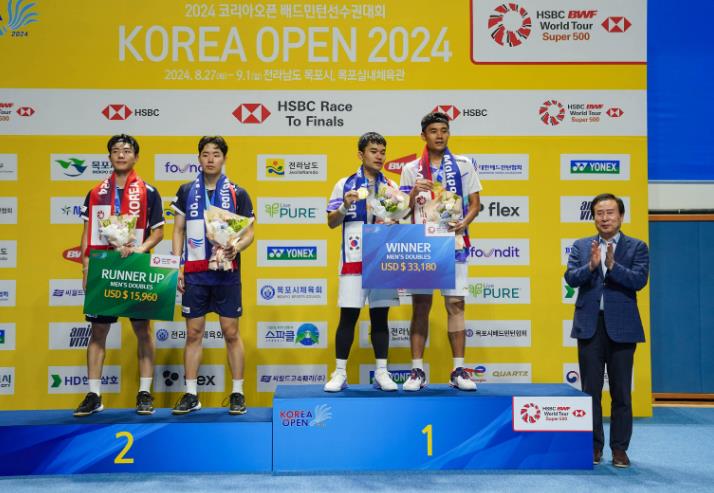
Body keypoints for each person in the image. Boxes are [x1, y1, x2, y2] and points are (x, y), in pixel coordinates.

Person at [75, 134, 164, 416]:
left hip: (137, 267)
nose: (121, 155)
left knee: (143, 331)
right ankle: (94, 395)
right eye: (116, 151)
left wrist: (140, 249)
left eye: (127, 151)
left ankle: (144, 393)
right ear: (109, 157)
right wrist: (86, 267)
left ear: (136, 157)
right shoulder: (96, 192)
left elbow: (158, 232)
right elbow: (86, 233)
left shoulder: (149, 192)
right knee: (98, 331)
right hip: (104, 267)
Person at [564, 193, 649, 468]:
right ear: (593, 217)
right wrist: (591, 266)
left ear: (621, 216)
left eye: (610, 212)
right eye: (599, 213)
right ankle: (593, 446)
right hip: (590, 326)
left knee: (621, 392)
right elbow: (570, 277)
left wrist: (613, 266)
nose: (604, 218)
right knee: (590, 391)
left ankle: (620, 449)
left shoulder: (637, 247)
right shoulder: (581, 246)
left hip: (622, 328)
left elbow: (639, 280)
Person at [171, 136, 254, 415]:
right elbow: (178, 230)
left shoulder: (238, 192)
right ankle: (191, 394)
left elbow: (249, 233)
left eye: (216, 154)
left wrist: (237, 247)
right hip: (195, 272)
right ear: (199, 158)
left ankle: (237, 393)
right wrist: (177, 265)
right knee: (193, 333)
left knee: (231, 333)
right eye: (205, 154)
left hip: (226, 272)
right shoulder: (186, 191)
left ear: (224, 158)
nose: (210, 159)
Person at [398, 112, 482, 391]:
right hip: (422, 245)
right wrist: (413, 192)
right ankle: (416, 371)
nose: (439, 135)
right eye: (433, 131)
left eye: (444, 130)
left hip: (453, 242)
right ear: (423, 135)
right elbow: (401, 211)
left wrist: (464, 222)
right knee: (421, 306)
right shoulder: (411, 169)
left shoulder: (464, 165)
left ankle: (458, 370)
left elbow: (475, 204)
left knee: (455, 305)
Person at [324, 132, 400, 392]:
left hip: (381, 261)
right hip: (353, 261)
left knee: (380, 317)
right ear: (360, 154)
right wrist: (344, 206)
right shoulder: (344, 184)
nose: (379, 156)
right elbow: (331, 222)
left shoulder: (391, 186)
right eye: (373, 151)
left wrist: (394, 221)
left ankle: (381, 372)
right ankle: (340, 373)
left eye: (382, 152)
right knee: (348, 316)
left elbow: (399, 221)